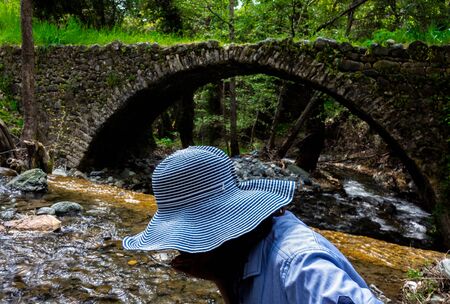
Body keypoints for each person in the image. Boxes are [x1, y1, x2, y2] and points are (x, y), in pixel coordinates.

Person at [123, 146, 382, 304]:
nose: (183, 251)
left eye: (189, 239)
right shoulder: (237, 254)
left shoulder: (301, 267)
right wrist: (220, 278)